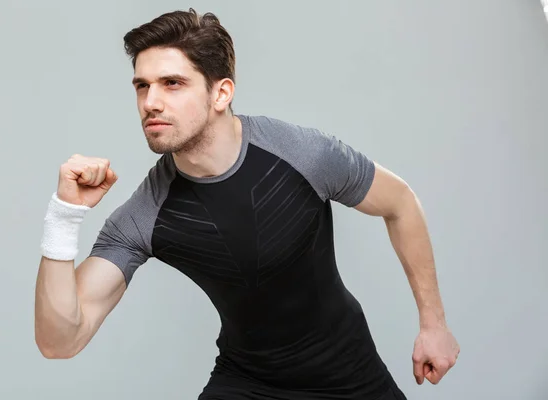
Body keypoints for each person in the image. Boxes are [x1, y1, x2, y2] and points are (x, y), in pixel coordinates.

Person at [34, 8, 460, 400]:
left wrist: (433, 325)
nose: (151, 102)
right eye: (142, 86)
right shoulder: (145, 215)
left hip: (349, 376)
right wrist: (64, 214)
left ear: (221, 93)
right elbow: (60, 340)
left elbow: (400, 203)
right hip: (248, 383)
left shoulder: (303, 155)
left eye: (172, 83)